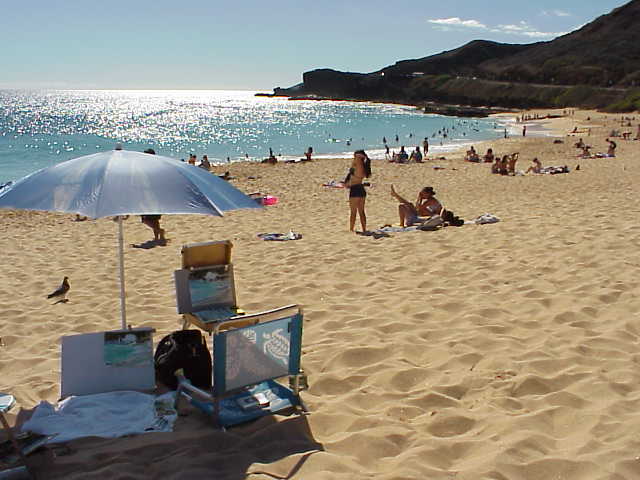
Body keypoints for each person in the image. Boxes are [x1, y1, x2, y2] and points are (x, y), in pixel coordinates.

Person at [139, 149, 166, 243]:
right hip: (157, 195)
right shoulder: (157, 166)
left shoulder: (148, 167)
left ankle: (159, 232)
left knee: (145, 219)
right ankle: (157, 237)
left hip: (149, 195)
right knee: (154, 219)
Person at [345, 150, 371, 232]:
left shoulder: (358, 165)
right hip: (361, 189)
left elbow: (352, 170)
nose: (353, 158)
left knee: (353, 212)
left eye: (355, 156)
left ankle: (351, 229)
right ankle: (364, 229)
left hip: (355, 189)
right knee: (361, 211)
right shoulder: (363, 167)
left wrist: (358, 156)